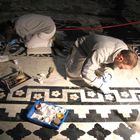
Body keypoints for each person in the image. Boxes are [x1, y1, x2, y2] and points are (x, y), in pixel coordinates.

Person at [66, 33, 138, 94]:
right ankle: (72, 55)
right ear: (120, 58)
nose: (120, 68)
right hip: (82, 48)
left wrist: (109, 72)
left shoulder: (124, 49)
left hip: (97, 50)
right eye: (121, 67)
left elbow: (113, 63)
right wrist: (99, 84)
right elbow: (85, 72)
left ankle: (93, 62)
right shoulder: (102, 52)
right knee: (73, 74)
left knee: (99, 70)